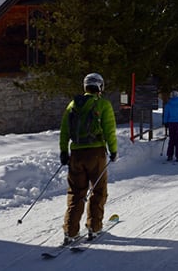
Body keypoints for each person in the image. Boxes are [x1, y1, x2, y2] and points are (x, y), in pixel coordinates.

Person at [59, 72, 118, 245]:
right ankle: (94, 227)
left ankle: (70, 231)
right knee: (98, 190)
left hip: (76, 154)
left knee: (76, 192)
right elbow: (109, 130)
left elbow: (64, 131)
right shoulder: (103, 104)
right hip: (96, 153)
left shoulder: (72, 105)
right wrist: (113, 150)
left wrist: (64, 151)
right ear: (100, 86)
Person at [163, 90, 178, 162]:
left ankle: (170, 155)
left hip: (171, 123)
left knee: (171, 139)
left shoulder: (168, 104)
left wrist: (165, 122)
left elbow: (166, 114)